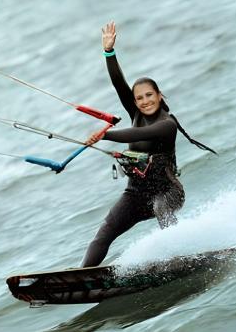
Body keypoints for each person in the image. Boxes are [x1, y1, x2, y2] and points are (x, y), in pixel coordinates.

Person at [82, 22, 207, 268]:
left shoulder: (167, 124)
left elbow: (135, 134)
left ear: (159, 96)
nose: (144, 101)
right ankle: (80, 275)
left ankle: (179, 259)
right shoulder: (136, 113)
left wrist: (105, 136)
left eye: (149, 95)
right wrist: (109, 52)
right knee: (106, 230)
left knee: (161, 207)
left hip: (168, 191)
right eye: (139, 98)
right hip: (136, 193)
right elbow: (119, 83)